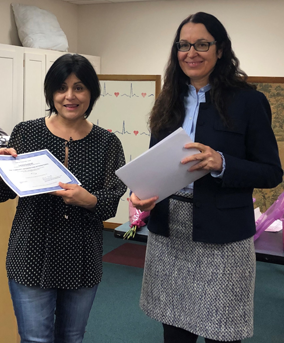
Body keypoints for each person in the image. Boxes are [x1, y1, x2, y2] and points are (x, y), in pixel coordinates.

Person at [130, 12, 283, 343]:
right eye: (183, 45)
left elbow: (271, 172)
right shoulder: (168, 100)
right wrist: (142, 192)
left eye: (202, 44)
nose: (191, 52)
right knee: (174, 332)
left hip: (223, 236)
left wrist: (222, 162)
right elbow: (155, 162)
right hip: (170, 230)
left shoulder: (248, 101)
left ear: (221, 50)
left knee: (223, 332)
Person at [0, 54, 127, 343]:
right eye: (61, 88)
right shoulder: (27, 132)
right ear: (51, 92)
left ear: (92, 93)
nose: (69, 96)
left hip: (82, 256)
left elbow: (111, 201)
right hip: (30, 253)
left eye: (79, 87)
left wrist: (88, 199)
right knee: (35, 339)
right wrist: (0, 171)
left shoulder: (107, 143)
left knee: (71, 338)